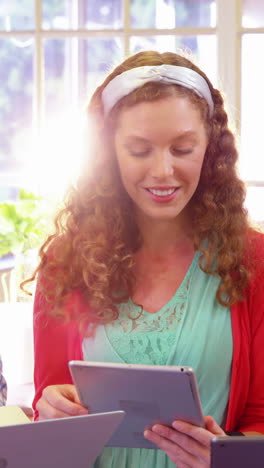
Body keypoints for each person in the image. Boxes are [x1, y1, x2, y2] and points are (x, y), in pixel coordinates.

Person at [25, 50, 264, 468]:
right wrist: (50, 408)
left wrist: (227, 456)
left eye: (183, 148)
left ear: (210, 147)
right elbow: (49, 399)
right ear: (108, 152)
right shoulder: (66, 265)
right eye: (139, 150)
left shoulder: (254, 261)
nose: (163, 172)